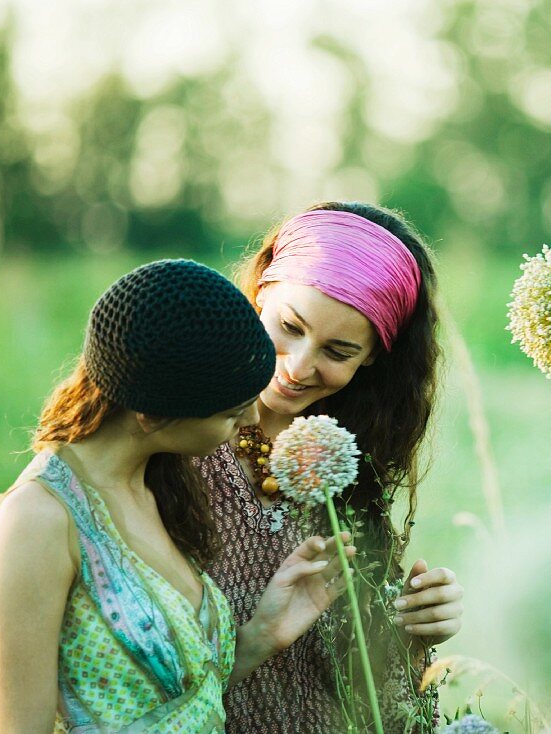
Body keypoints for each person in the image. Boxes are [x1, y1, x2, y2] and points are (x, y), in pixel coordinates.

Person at [0, 259, 354, 733]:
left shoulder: (159, 486)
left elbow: (178, 705)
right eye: (232, 412)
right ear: (151, 416)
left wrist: (262, 634)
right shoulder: (39, 519)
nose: (252, 423)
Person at [197, 202, 464, 733]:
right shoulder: (177, 442)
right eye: (289, 327)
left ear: (372, 359)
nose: (297, 367)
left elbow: (354, 674)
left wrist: (415, 626)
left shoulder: (345, 460)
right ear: (260, 293)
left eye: (338, 351)